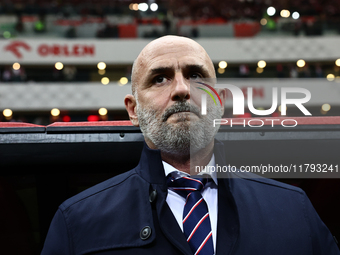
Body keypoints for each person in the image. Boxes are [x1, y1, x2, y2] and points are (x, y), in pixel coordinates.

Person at [41, 36, 340, 255]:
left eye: (196, 75)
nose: (182, 90)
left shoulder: (294, 210)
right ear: (133, 110)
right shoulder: (77, 222)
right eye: (160, 79)